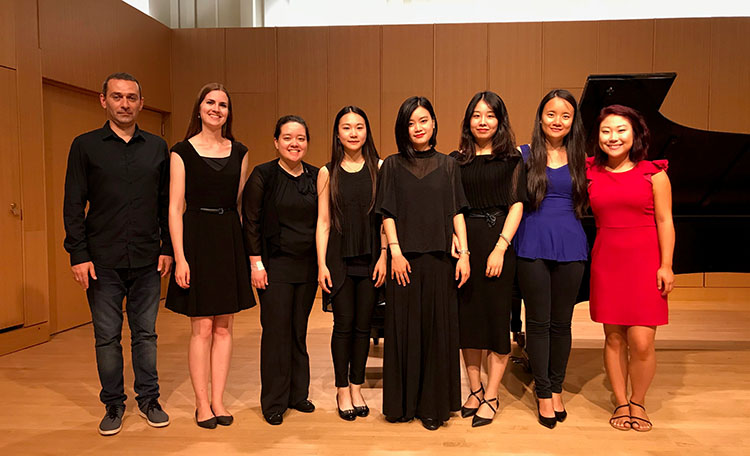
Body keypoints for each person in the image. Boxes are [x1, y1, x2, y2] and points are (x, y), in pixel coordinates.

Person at [63, 72, 172, 436]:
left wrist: (168, 249)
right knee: (107, 336)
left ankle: (149, 399)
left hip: (146, 260)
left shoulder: (158, 147)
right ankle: (113, 404)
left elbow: (166, 205)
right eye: (117, 97)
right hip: (101, 261)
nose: (124, 104)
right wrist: (78, 254)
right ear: (103, 100)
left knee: (146, 334)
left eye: (131, 97)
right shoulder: (85, 145)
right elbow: (73, 203)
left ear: (141, 103)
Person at [377, 96, 470, 431]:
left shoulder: (448, 165)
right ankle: (402, 405)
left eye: (424, 120)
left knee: (436, 332)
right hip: (403, 261)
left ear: (434, 124)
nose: (418, 128)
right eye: (411, 123)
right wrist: (395, 252)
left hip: (440, 262)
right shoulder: (391, 164)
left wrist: (466, 254)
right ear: (404, 128)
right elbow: (387, 213)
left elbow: (456, 210)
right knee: (404, 332)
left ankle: (432, 406)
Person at [165, 83, 254, 429]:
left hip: (229, 236)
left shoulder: (241, 151)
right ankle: (202, 403)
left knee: (224, 328)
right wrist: (181, 257)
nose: (217, 109)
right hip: (196, 238)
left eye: (223, 105)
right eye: (210, 102)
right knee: (201, 328)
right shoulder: (180, 151)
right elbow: (174, 208)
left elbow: (240, 207)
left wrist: (248, 255)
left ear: (229, 113)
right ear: (199, 108)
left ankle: (219, 399)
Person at [587, 104, 675, 432]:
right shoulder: (590, 171)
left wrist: (666, 264)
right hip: (607, 259)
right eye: (606, 131)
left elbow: (665, 221)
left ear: (635, 134)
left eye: (621, 130)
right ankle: (622, 402)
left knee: (641, 341)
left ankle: (639, 400)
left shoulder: (654, 173)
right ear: (597, 136)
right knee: (613, 337)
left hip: (645, 261)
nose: (613, 137)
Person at [449, 91, 526, 427]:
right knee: (468, 321)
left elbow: (517, 205)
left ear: (500, 120)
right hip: (466, 246)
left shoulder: (512, 159)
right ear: (468, 120)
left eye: (490, 115)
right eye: (477, 115)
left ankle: (492, 394)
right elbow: (451, 207)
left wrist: (501, 246)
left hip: (498, 244)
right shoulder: (456, 160)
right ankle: (475, 389)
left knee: (496, 321)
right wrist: (459, 245)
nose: (483, 121)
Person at [514, 89, 588, 429]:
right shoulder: (524, 155)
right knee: (538, 323)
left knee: (563, 323)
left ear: (573, 121)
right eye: (551, 114)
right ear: (540, 117)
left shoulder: (583, 159)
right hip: (532, 243)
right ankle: (543, 391)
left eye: (565, 115)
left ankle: (556, 386)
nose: (557, 121)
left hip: (571, 245)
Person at [242, 115, 319, 426]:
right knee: (276, 333)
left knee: (298, 331)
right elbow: (251, 222)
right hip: (274, 266)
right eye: (287, 137)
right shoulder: (263, 176)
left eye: (300, 138)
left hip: (308, 266)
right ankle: (274, 402)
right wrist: (255, 263)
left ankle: (298, 395)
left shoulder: (317, 176)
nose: (294, 143)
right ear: (276, 142)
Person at [315, 106, 387, 421]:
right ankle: (342, 387)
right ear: (338, 133)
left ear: (367, 131)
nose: (354, 133)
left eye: (359, 127)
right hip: (339, 260)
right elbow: (323, 222)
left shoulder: (380, 167)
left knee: (363, 327)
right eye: (347, 127)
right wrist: (321, 264)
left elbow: (387, 219)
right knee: (342, 326)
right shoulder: (327, 172)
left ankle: (357, 385)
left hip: (372, 259)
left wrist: (385, 255)